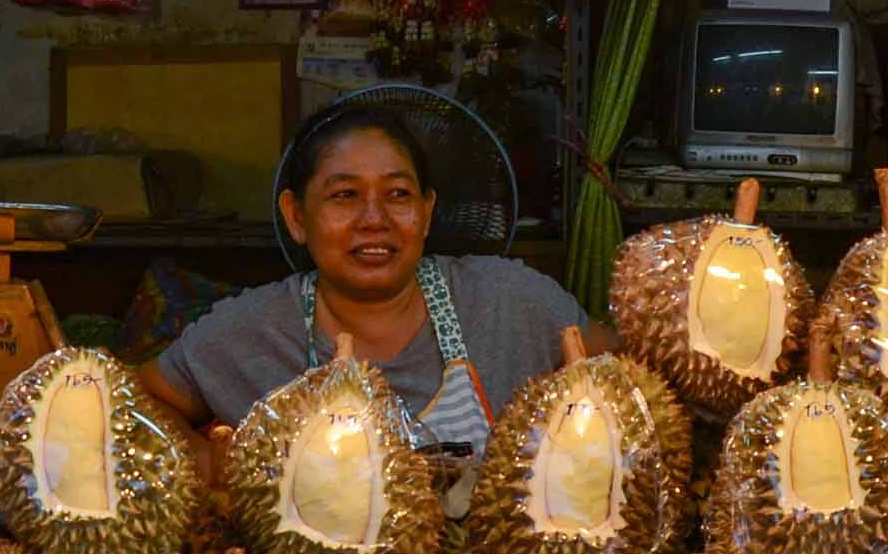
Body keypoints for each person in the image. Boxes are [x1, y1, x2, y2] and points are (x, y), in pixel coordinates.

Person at [138, 103, 604, 455]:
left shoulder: (509, 300)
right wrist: (206, 465)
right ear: (296, 216)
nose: (374, 219)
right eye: (345, 195)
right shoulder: (252, 330)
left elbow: (628, 377)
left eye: (398, 194)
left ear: (426, 212)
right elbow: (140, 403)